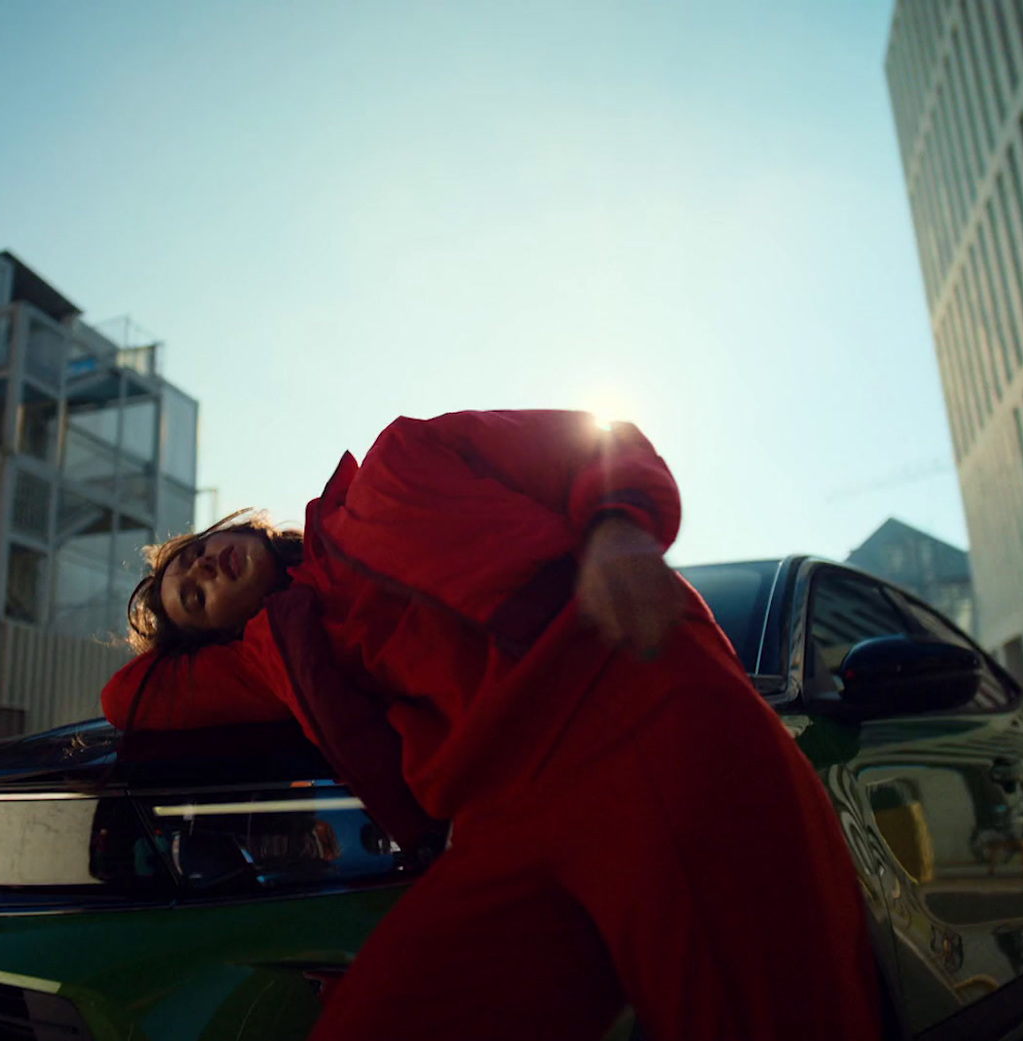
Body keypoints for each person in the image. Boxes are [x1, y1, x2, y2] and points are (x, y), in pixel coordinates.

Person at [102, 409, 881, 1041]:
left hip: (630, 707)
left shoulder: (398, 460)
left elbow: (595, 442)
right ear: (218, 638)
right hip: (499, 822)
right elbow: (128, 697)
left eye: (199, 554)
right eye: (193, 598)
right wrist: (183, 623)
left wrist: (619, 528)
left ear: (242, 529)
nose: (202, 571)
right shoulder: (277, 655)